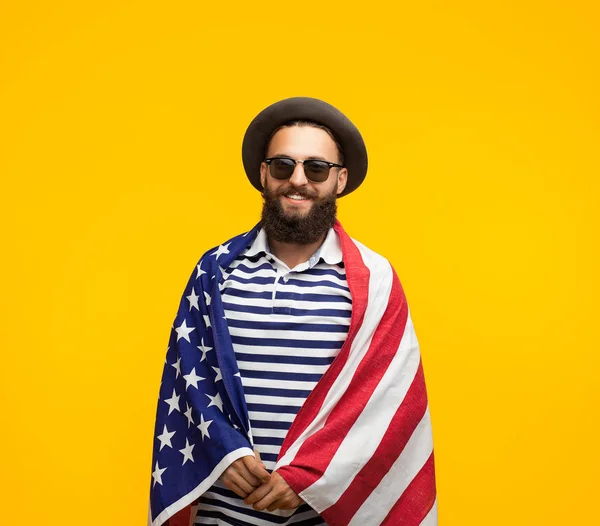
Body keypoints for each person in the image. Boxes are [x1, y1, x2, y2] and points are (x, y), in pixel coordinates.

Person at [149, 97, 437, 526]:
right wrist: (223, 452)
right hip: (222, 515)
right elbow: (189, 382)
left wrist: (309, 475)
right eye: (283, 166)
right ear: (265, 174)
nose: (297, 180)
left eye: (316, 169)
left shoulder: (374, 281)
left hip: (323, 516)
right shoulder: (215, 272)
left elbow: (388, 402)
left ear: (339, 180)